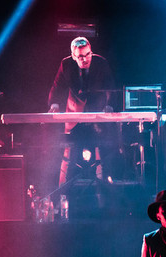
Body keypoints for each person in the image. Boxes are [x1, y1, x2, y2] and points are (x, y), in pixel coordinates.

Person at [48, 37, 115, 186]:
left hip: (96, 110)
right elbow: (57, 86)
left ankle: (103, 190)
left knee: (100, 153)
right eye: (81, 56)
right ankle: (64, 190)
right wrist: (54, 104)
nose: (85, 59)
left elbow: (110, 85)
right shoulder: (66, 64)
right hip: (74, 112)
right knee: (68, 153)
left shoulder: (101, 63)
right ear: (73, 56)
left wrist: (109, 105)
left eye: (88, 54)